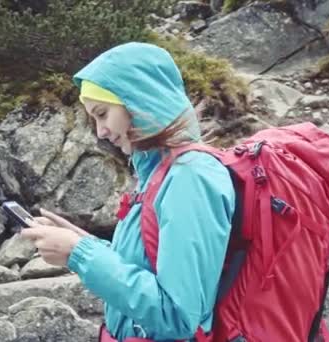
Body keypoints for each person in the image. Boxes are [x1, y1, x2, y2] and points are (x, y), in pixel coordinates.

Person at [21, 42, 236, 342]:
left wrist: (78, 254)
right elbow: (147, 267)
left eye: (102, 113)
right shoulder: (160, 174)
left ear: (139, 101)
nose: (101, 132)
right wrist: (84, 242)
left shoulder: (191, 178)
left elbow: (178, 317)